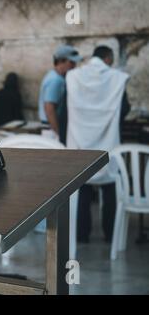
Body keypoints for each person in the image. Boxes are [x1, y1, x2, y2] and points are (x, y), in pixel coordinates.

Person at [66, 46, 131, 243]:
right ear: (108, 57)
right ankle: (110, 234)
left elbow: (64, 108)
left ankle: (82, 234)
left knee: (83, 186)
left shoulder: (74, 76)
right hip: (108, 140)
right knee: (109, 186)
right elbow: (125, 107)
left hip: (79, 139)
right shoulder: (116, 78)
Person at [38, 45, 82, 143]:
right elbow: (49, 108)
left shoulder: (55, 76)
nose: (74, 66)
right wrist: (59, 133)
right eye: (71, 62)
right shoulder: (56, 80)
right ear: (61, 61)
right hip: (52, 130)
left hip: (50, 128)